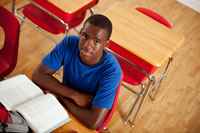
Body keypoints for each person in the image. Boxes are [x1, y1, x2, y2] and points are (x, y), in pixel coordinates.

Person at [32, 14, 122, 129]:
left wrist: (61, 97)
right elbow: (37, 75)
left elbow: (93, 122)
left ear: (106, 45)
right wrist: (74, 95)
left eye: (96, 41)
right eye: (85, 35)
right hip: (62, 103)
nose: (87, 45)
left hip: (82, 115)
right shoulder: (69, 43)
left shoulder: (112, 71)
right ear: (80, 33)